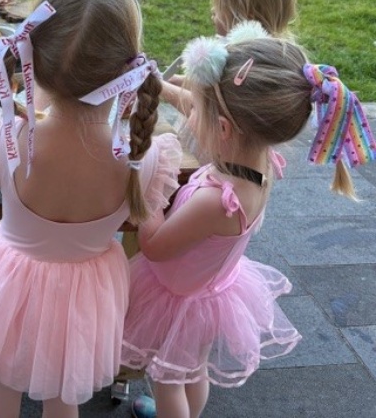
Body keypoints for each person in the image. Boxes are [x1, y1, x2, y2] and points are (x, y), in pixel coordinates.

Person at [0, 0, 182, 416]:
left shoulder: (9, 135)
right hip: (86, 293)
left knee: (4, 384)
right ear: (126, 71)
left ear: (34, 60)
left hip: (11, 281)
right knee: (63, 393)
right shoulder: (145, 157)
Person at [122, 31, 376, 418]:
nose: (190, 118)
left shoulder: (214, 202)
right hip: (210, 293)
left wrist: (151, 190)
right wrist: (167, 89)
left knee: (167, 379)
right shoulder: (258, 160)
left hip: (176, 297)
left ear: (224, 128)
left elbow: (155, 247)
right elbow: (209, 117)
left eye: (196, 112)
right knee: (192, 370)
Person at [164, 0, 298, 115]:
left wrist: (161, 88)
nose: (213, 10)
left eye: (219, 5)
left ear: (246, 18)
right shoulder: (276, 56)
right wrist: (176, 81)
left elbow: (206, 113)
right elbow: (209, 87)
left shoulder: (244, 66)